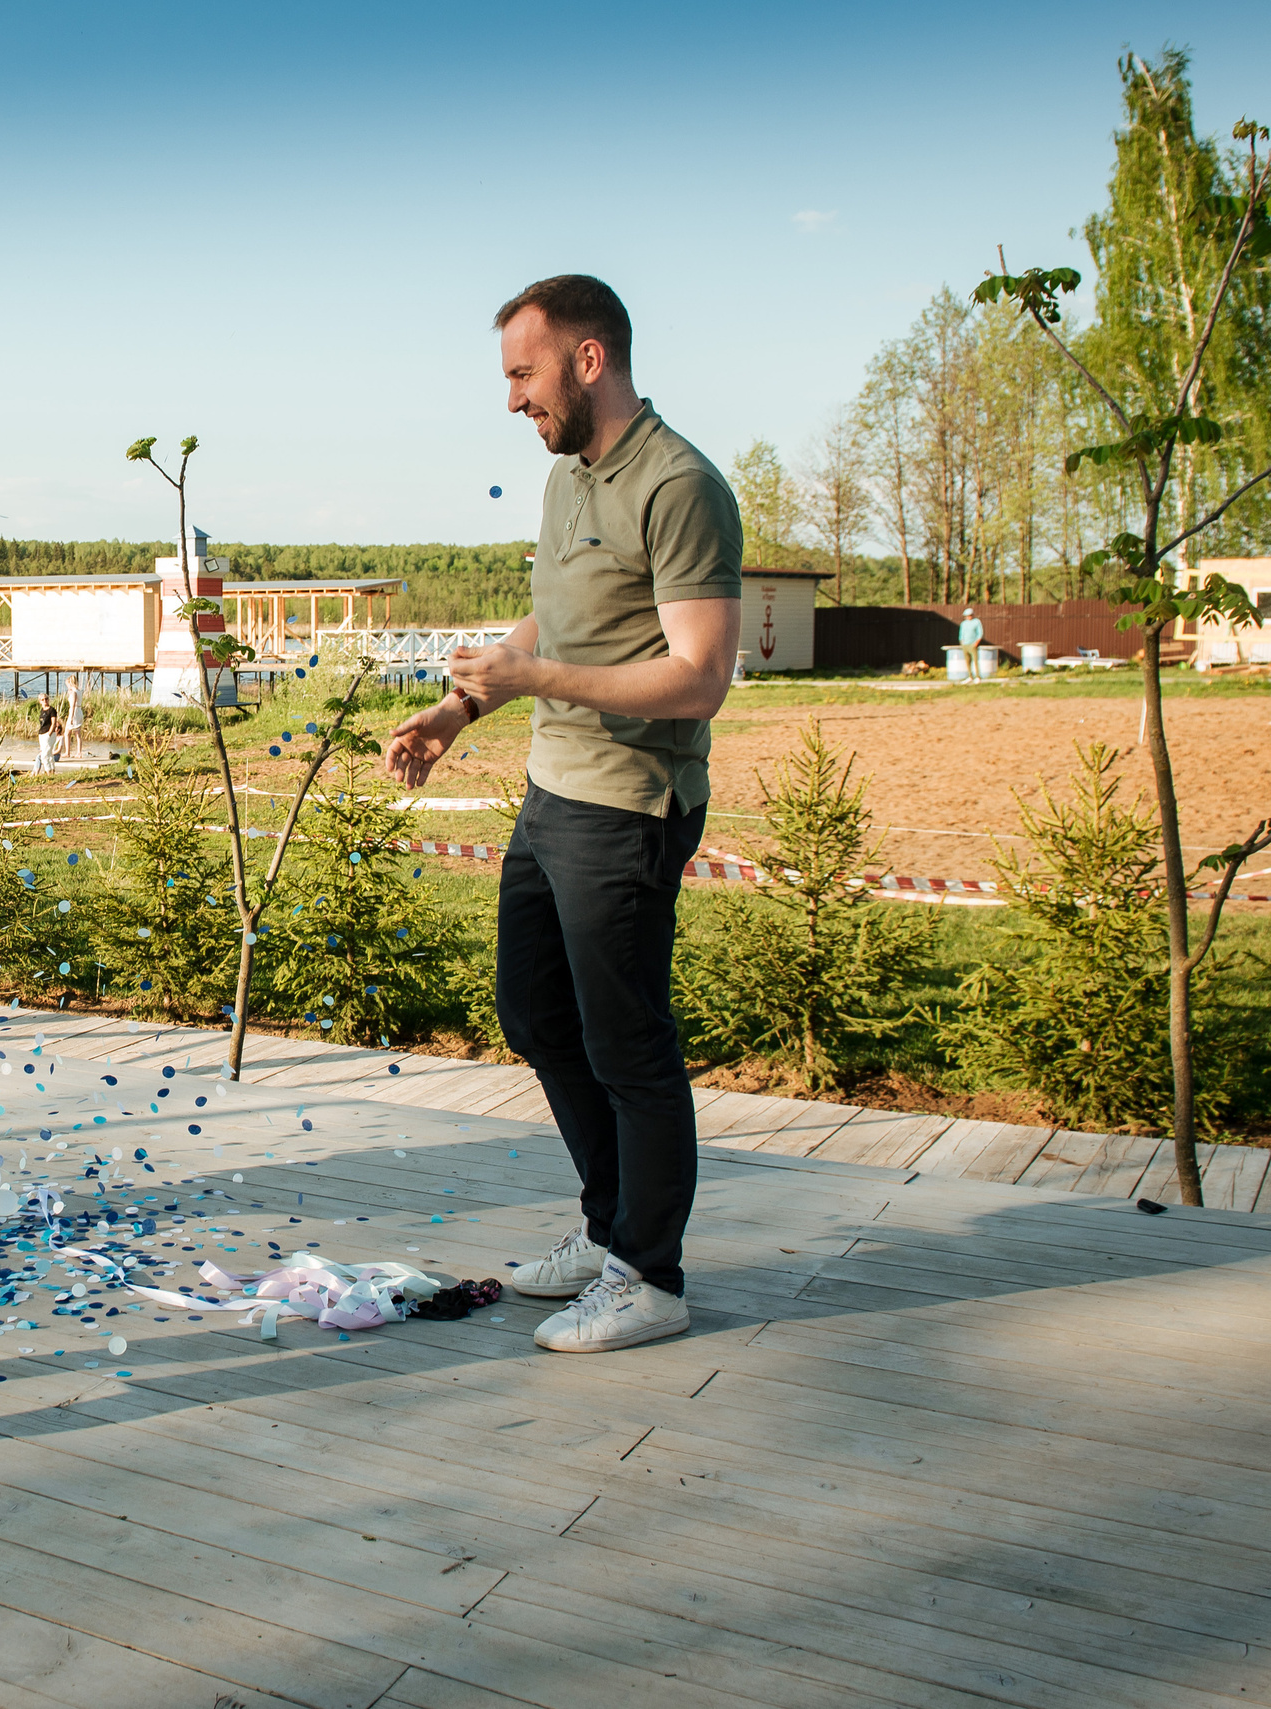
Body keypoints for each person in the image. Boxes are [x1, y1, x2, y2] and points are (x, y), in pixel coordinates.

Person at [383, 274, 740, 1355]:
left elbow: (697, 675)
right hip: (553, 793)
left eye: (521, 374)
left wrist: (537, 676)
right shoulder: (571, 479)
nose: (510, 401)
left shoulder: (678, 485)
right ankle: (608, 1231)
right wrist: (458, 708)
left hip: (628, 804)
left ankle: (650, 1275)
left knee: (628, 1041)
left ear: (589, 360)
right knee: (535, 1015)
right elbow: (561, 619)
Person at [32, 691, 58, 773]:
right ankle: (52, 770)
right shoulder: (42, 710)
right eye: (42, 699)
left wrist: (49, 733)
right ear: (40, 701)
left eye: (46, 699)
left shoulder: (52, 710)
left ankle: (48, 771)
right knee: (49, 754)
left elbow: (54, 723)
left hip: (49, 733)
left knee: (44, 755)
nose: (45, 701)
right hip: (42, 733)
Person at [957, 607, 984, 679]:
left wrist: (976, 643)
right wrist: (962, 642)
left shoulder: (976, 621)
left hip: (973, 644)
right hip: (965, 645)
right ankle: (970, 676)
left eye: (970, 615)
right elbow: (961, 634)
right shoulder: (963, 623)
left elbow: (980, 633)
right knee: (967, 661)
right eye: (967, 615)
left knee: (975, 661)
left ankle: (977, 676)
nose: (968, 617)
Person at [61, 678, 85, 758]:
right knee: (76, 733)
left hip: (74, 712)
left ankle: (70, 752)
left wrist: (71, 717)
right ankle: (77, 752)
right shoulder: (78, 691)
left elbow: (73, 705)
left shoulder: (74, 692)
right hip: (78, 711)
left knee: (68, 733)